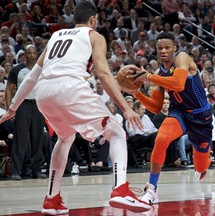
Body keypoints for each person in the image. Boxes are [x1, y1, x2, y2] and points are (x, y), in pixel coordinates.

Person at [0, 2, 151, 215]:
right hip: (70, 87)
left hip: (44, 92)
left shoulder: (56, 36)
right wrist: (125, 107)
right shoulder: (94, 36)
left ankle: (52, 199)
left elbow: (33, 75)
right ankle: (120, 190)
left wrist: (13, 107)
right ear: (93, 19)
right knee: (116, 132)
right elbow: (104, 74)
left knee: (65, 138)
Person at [126, 32, 213, 205]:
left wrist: (148, 77)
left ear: (174, 48)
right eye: (159, 48)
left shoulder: (183, 58)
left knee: (200, 166)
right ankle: (152, 189)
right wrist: (136, 93)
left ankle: (205, 158)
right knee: (161, 138)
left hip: (200, 116)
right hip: (178, 112)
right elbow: (156, 107)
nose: (163, 51)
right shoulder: (161, 72)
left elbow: (179, 84)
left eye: (167, 47)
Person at [5, 45, 46, 181]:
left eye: (34, 53)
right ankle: (16, 171)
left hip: (39, 105)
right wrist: (10, 107)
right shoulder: (17, 70)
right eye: (29, 53)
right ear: (24, 55)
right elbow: (9, 89)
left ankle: (37, 170)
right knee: (20, 139)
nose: (32, 55)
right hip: (23, 105)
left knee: (37, 138)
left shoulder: (42, 70)